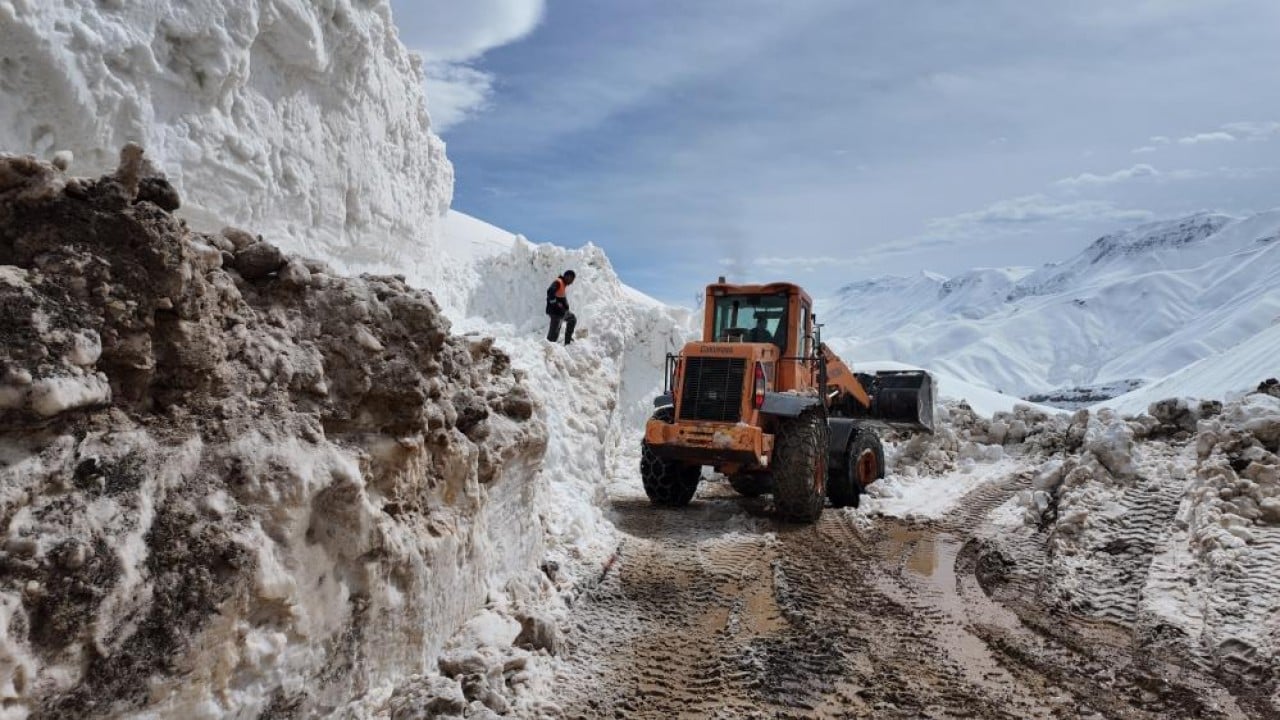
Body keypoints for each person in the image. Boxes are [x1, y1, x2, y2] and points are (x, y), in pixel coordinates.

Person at [546, 269, 577, 344]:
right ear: (567, 276)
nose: (572, 282)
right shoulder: (558, 282)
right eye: (571, 279)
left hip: (561, 312)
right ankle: (548, 348)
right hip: (555, 313)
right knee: (553, 337)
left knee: (572, 319)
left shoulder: (563, 284)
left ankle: (568, 342)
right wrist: (556, 304)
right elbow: (550, 291)